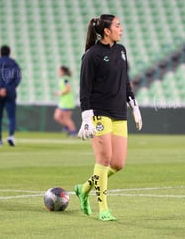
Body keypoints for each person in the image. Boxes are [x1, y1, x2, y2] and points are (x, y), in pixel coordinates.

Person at [75, 14, 142, 221]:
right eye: (118, 25)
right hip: (99, 112)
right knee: (104, 159)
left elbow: (125, 80)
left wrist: (134, 104)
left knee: (118, 163)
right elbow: (84, 89)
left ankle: (84, 188)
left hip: (119, 112)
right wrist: (86, 118)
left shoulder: (121, 51)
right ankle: (103, 208)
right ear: (106, 31)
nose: (121, 29)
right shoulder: (92, 55)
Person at [0, 45, 21, 147]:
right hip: (10, 93)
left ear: (0, 52)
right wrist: (7, 89)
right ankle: (10, 136)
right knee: (11, 116)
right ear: (9, 52)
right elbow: (17, 79)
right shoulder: (13, 64)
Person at [54, 65, 76, 137]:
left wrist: (59, 93)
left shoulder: (66, 79)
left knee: (66, 118)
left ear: (63, 71)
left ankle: (73, 132)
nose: (58, 72)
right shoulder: (63, 79)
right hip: (62, 101)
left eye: (59, 71)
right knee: (57, 116)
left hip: (67, 102)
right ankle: (68, 128)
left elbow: (68, 89)